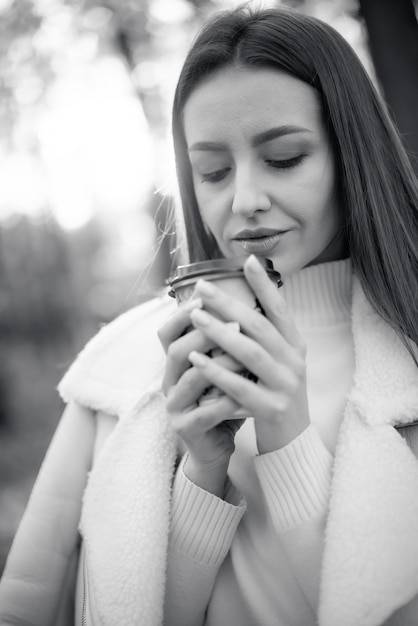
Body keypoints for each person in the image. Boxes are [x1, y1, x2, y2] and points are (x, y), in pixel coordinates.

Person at [1, 5, 418, 626]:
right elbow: (34, 598)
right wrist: (201, 472)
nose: (244, 201)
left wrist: (288, 443)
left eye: (283, 159)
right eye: (213, 171)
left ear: (351, 157)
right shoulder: (117, 368)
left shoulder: (406, 352)